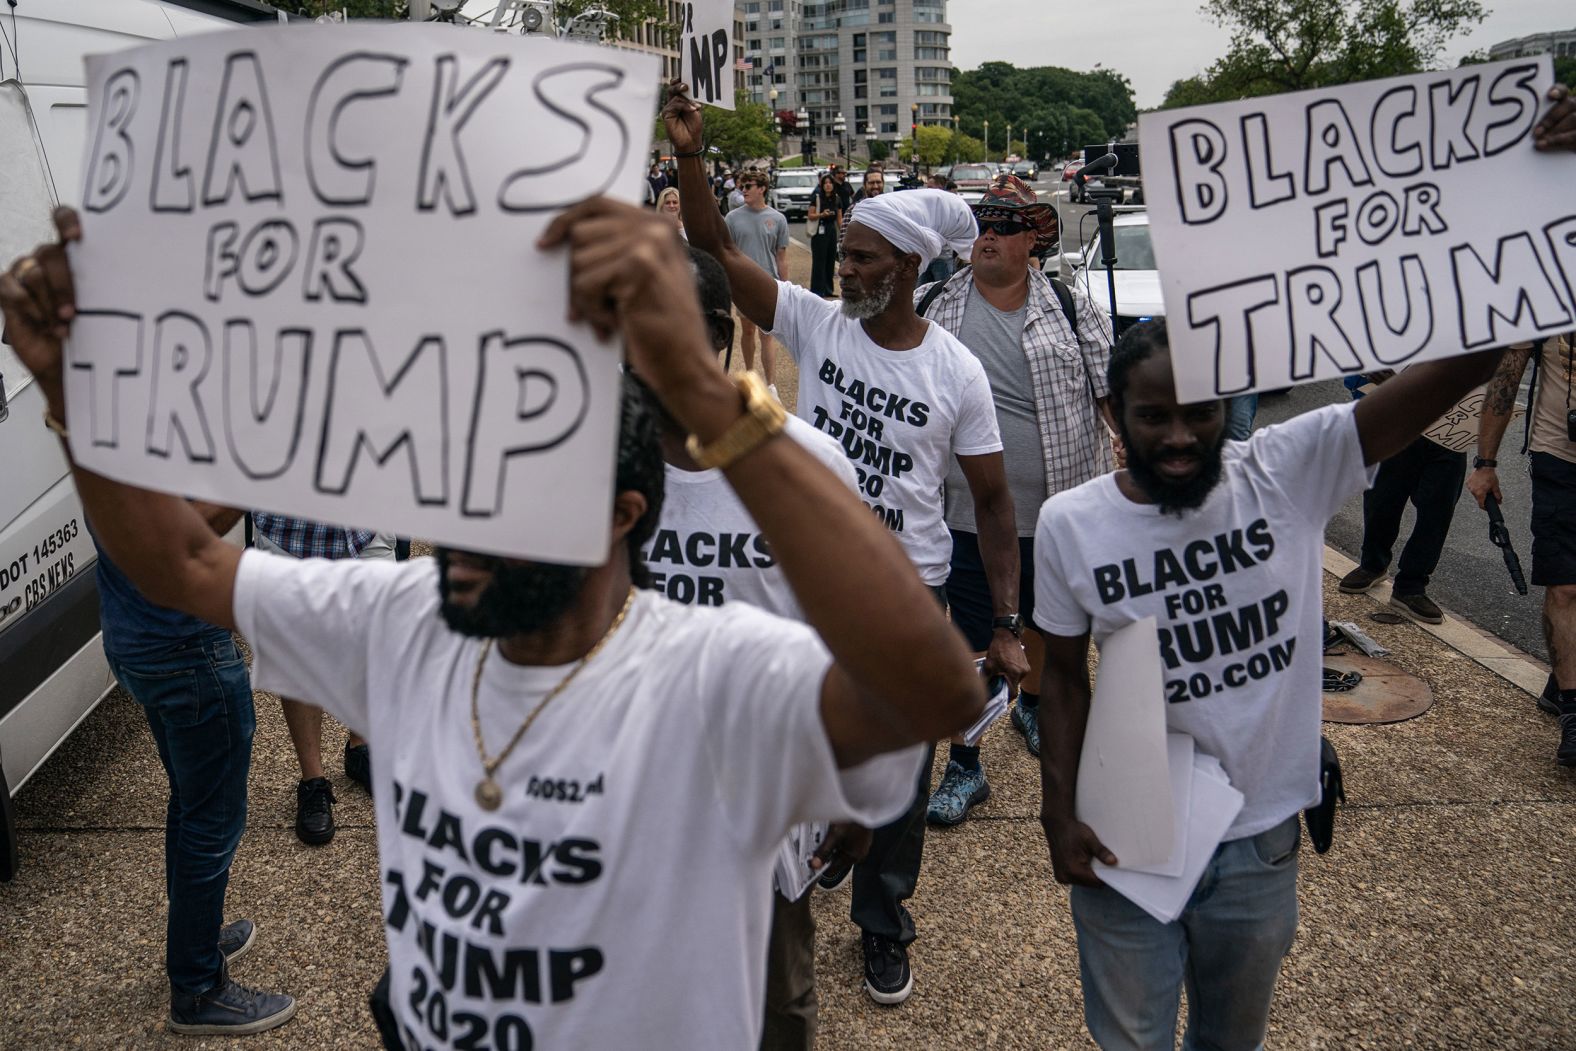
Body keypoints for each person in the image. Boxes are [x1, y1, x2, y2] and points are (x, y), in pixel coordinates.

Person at [3, 198, 984, 1049]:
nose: (458, 536)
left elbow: (929, 689)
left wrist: (701, 392)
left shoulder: (712, 676)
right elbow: (181, 562)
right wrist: (73, 394)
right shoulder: (408, 619)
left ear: (619, 517)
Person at [1036, 320, 1507, 1050]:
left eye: (1201, 411)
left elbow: (1453, 373)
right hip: (1125, 835)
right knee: (1129, 1038)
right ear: (1112, 413)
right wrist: (1057, 813)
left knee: (1233, 1039)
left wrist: (1518, 300)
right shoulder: (1071, 523)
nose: (1181, 435)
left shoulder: (1291, 467)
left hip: (1259, 839)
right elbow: (1062, 679)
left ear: (1231, 403)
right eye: (1153, 415)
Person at [667, 79, 1027, 1007]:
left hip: (910, 595)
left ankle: (882, 924)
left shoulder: (957, 373)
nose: (843, 269)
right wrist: (691, 154)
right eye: (847, 255)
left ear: (906, 267)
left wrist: (1008, 621)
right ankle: (790, 875)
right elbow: (709, 250)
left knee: (898, 776)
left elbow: (990, 503)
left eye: (863, 259)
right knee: (803, 743)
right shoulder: (820, 324)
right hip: (813, 586)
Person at [642, 245, 868, 1050]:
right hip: (625, 803)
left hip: (763, 805)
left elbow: (857, 636)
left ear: (708, 333)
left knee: (772, 1005)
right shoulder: (588, 471)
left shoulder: (804, 466)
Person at [914, 174, 1115, 827]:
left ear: (1034, 238)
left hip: (1061, 510)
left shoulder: (1071, 305)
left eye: (1005, 224)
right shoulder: (936, 302)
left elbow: (1113, 392)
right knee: (975, 639)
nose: (988, 235)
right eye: (982, 223)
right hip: (968, 515)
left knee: (1052, 631)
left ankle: (1029, 703)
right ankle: (965, 766)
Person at [92, 535, 296, 1035]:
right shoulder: (165, 459)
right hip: (186, 652)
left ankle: (196, 943)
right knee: (213, 822)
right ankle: (198, 987)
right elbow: (188, 535)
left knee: (190, 802)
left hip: (136, 640)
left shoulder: (111, 454)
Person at [250, 514, 395, 844]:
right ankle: (312, 781)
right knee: (301, 660)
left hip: (364, 530)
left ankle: (360, 748)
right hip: (291, 535)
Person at [1470, 333, 1576, 760]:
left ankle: (1562, 679)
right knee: (1567, 586)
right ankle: (1574, 714)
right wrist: (1486, 462)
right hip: (1560, 459)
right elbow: (1506, 381)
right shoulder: (1546, 293)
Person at [1337, 370, 1467, 624]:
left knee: (1436, 512)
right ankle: (1373, 565)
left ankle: (1411, 586)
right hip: (1394, 421)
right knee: (1382, 499)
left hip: (1449, 428)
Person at [724, 169, 790, 393]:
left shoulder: (778, 219)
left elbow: (781, 257)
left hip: (769, 283)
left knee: (768, 334)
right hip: (742, 285)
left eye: (749, 186)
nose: (744, 190)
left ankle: (771, 385)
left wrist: (786, 286)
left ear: (762, 188)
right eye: (742, 186)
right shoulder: (732, 218)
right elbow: (727, 252)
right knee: (748, 331)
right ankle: (750, 376)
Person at [806, 172, 840, 298]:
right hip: (820, 230)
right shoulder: (817, 197)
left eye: (830, 183)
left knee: (830, 260)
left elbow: (839, 219)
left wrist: (843, 233)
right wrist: (821, 215)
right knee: (819, 261)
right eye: (825, 183)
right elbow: (810, 215)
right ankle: (817, 289)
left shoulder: (836, 199)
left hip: (831, 230)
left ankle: (828, 289)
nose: (828, 185)